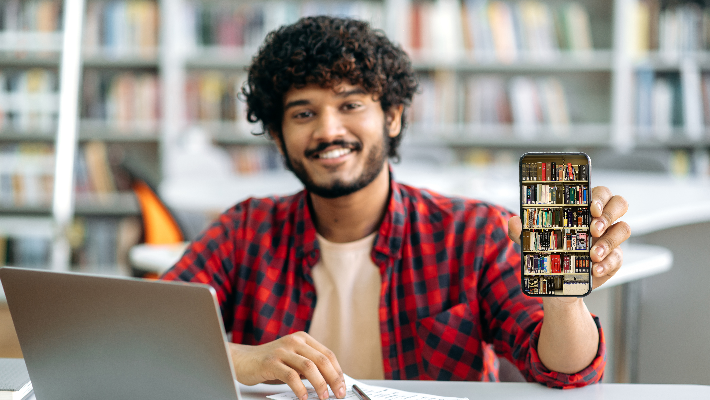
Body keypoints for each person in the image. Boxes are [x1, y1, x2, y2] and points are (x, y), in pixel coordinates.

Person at [161, 15, 630, 399]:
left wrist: (564, 297)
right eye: (304, 113)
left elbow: (568, 374)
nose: (328, 130)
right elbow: (141, 338)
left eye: (350, 105)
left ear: (392, 116)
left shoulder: (472, 231)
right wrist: (242, 359)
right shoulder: (247, 229)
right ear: (279, 138)